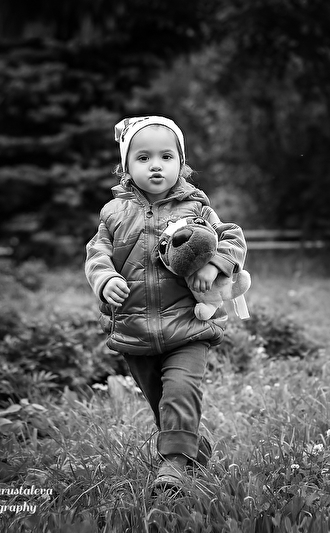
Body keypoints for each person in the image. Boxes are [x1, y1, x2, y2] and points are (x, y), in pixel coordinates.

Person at [85, 116, 247, 491]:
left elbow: (232, 238)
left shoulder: (196, 208)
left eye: (166, 156)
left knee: (180, 391)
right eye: (143, 157)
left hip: (189, 325)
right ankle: (192, 452)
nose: (156, 165)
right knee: (163, 404)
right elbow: (97, 255)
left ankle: (172, 466)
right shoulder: (113, 215)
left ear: (181, 163)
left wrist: (215, 263)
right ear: (126, 167)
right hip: (135, 329)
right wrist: (105, 279)